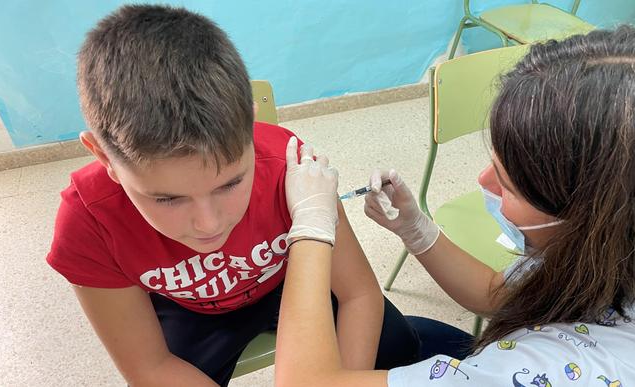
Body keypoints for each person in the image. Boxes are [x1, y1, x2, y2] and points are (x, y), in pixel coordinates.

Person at [276, 26, 635, 386]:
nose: (483, 182)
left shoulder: (536, 371)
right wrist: (417, 231)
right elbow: (506, 296)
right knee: (411, 334)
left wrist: (311, 230)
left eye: (510, 185)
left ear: (594, 217)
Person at [45, 4, 419, 386]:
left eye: (230, 184)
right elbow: (150, 367)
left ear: (251, 125)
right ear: (103, 156)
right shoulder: (88, 220)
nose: (209, 223)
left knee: (397, 342)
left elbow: (359, 296)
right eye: (167, 199)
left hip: (290, 283)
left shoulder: (288, 165)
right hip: (190, 314)